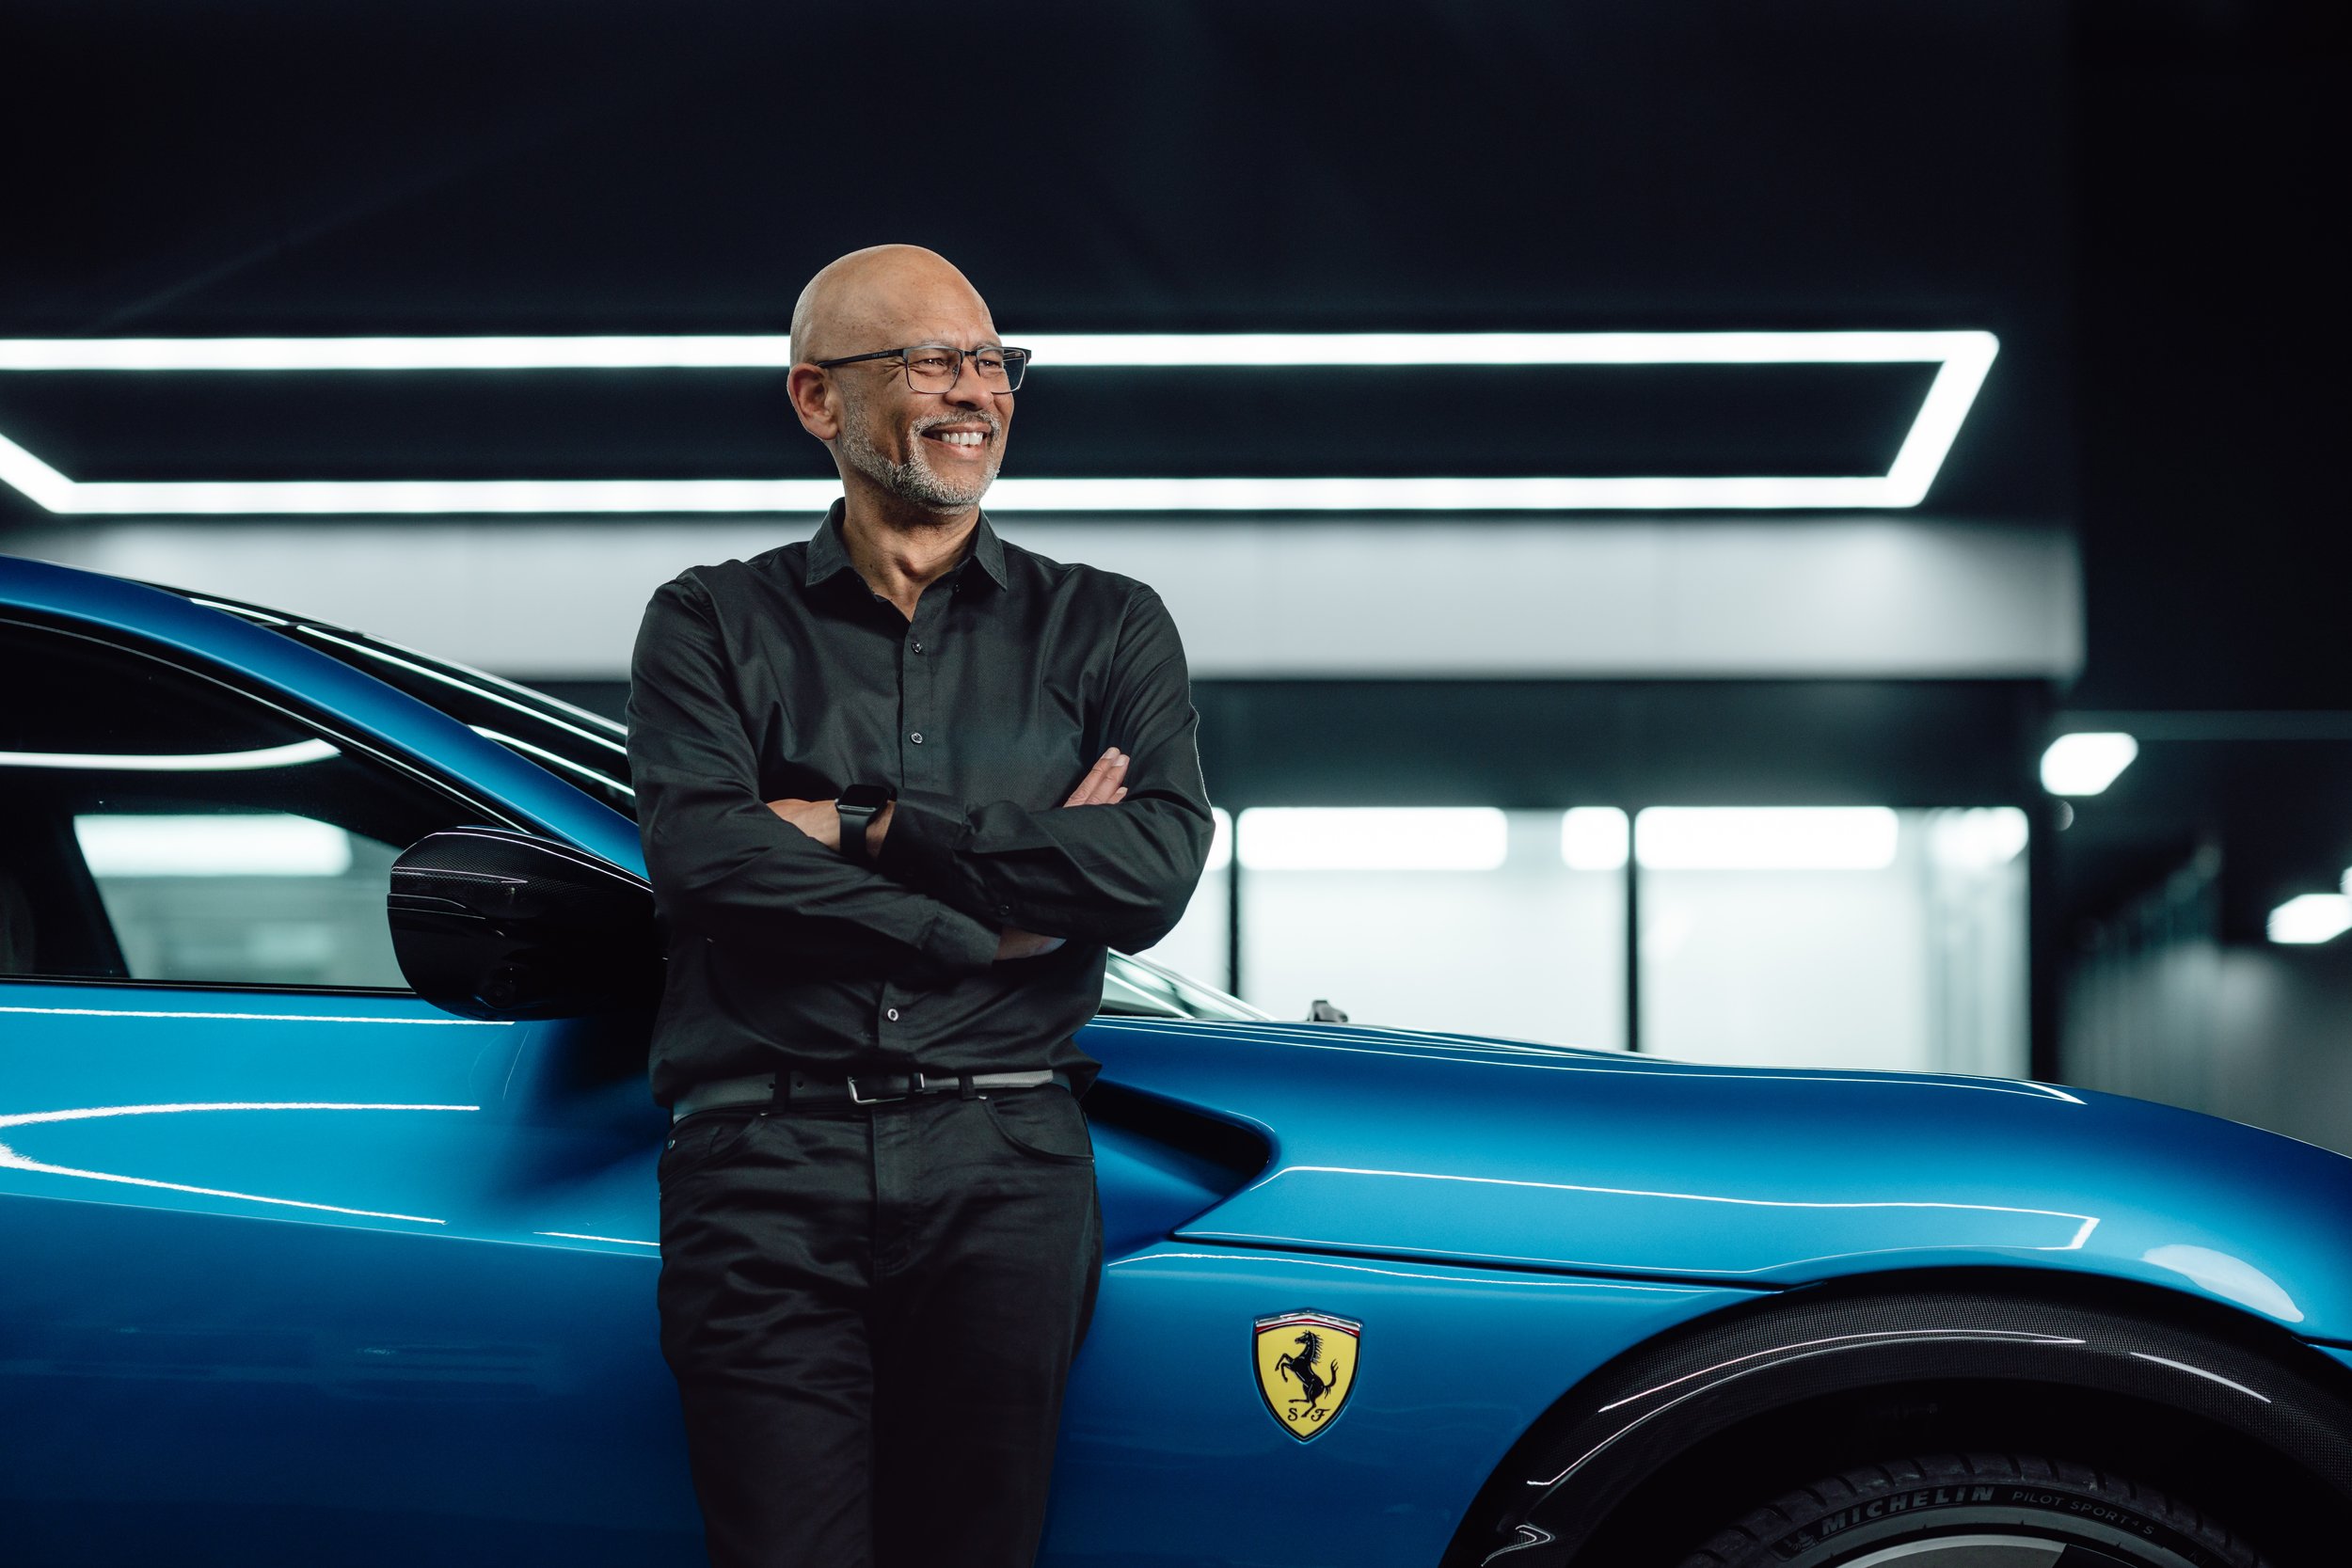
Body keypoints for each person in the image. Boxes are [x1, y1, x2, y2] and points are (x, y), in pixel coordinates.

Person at [626, 244, 1213, 1568]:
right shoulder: (708, 623)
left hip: (1005, 1164)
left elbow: (1152, 872)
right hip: (760, 1170)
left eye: (994, 361)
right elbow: (707, 860)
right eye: (931, 360)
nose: (977, 391)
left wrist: (861, 825)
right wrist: (979, 920)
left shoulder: (1110, 629)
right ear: (817, 401)